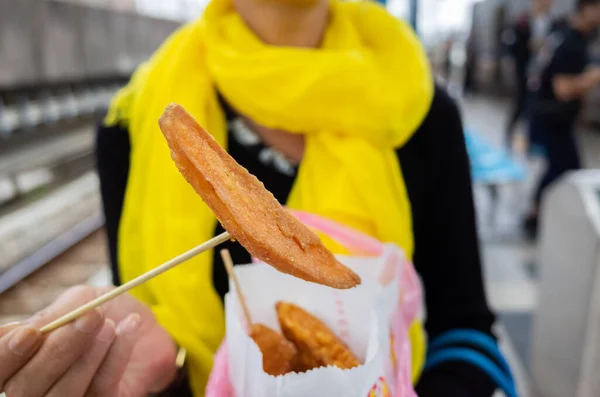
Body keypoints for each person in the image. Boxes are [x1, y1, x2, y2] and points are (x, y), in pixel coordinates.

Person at [0, 0, 503, 396]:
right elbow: (143, 340)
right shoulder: (132, 124)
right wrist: (160, 369)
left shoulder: (420, 109)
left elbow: (466, 336)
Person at [525, 0, 600, 237]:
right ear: (586, 8)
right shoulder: (572, 42)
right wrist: (594, 77)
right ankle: (542, 219)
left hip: (547, 116)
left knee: (558, 168)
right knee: (569, 172)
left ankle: (536, 214)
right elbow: (563, 89)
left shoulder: (562, 34)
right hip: (553, 118)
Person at [504, 0, 554, 149]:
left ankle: (532, 140)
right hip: (525, 71)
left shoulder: (552, 23)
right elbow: (511, 47)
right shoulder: (522, 22)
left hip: (543, 72)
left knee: (537, 107)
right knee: (520, 105)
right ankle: (510, 135)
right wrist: (528, 45)